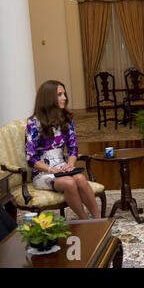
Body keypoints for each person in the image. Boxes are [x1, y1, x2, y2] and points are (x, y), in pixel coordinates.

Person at [25, 80, 100, 220]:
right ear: (48, 98)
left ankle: (98, 220)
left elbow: (73, 148)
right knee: (69, 182)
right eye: (60, 94)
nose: (64, 98)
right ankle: (85, 221)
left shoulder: (66, 119)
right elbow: (31, 159)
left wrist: (70, 164)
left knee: (80, 178)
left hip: (62, 167)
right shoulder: (33, 124)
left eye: (64, 94)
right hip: (43, 173)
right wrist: (53, 170)